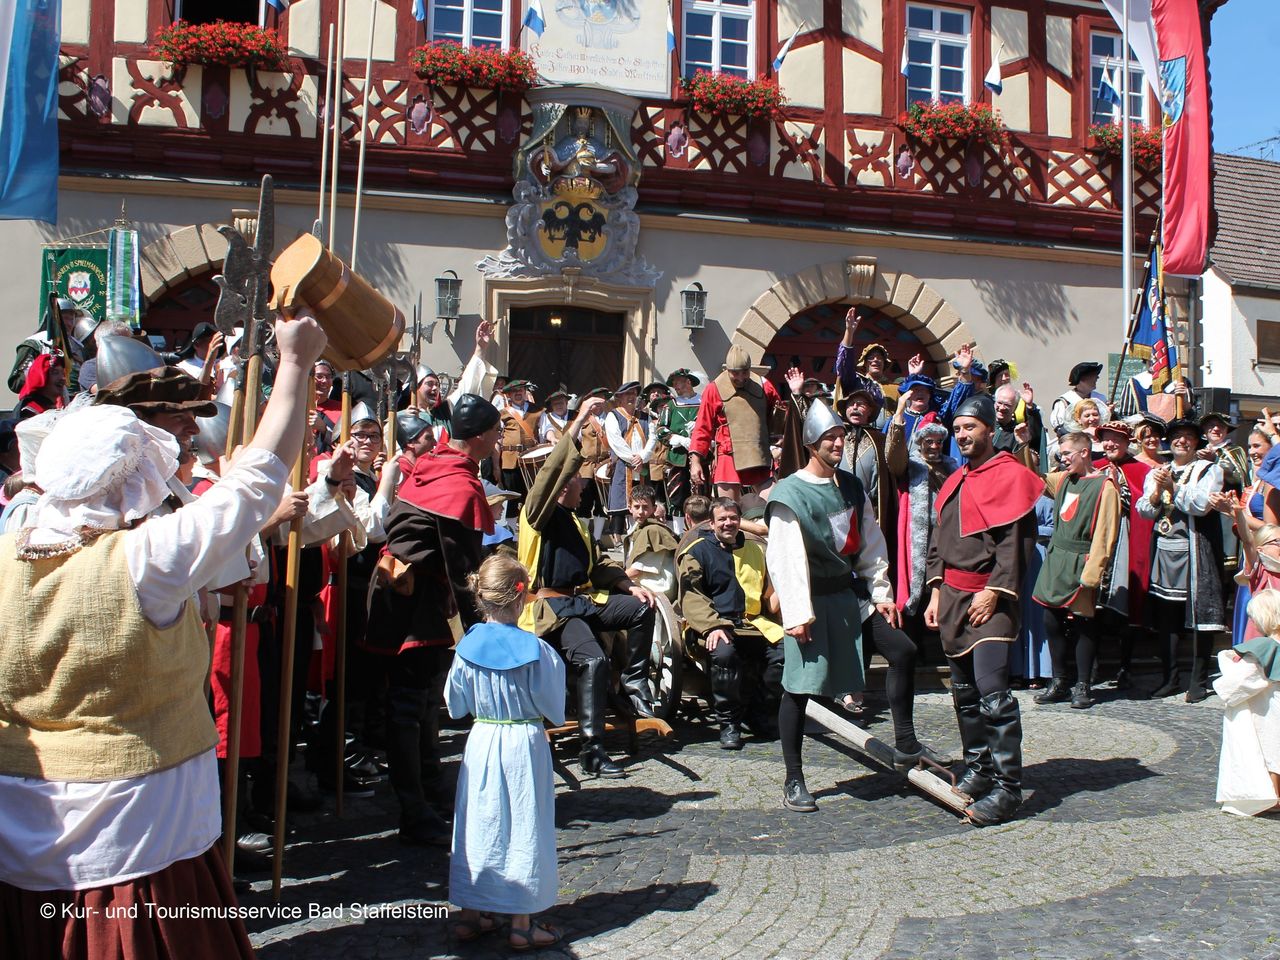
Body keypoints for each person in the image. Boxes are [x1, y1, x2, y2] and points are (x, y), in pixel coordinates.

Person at [0, 308, 325, 959]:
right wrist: (294, 362)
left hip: (19, 839)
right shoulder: (142, 562)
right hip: (141, 842)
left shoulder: (9, 552)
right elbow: (257, 482)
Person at [366, 393, 502, 845]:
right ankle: (413, 809)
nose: (500, 440)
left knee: (423, 702)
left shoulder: (435, 462)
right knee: (408, 704)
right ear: (481, 437)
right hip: (411, 596)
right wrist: (484, 629)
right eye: (497, 433)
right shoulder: (458, 484)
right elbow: (462, 566)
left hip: (406, 590)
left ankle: (431, 790)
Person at [516, 398, 657, 775]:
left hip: (586, 601)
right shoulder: (537, 516)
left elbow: (600, 566)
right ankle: (592, 751)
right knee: (592, 659)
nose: (582, 481)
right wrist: (579, 420)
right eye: (576, 477)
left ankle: (635, 683)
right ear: (566, 485)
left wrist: (627, 584)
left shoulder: (580, 523)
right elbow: (550, 474)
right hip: (554, 611)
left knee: (644, 607)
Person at [765, 400, 891, 813]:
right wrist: (798, 613)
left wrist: (881, 592)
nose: (838, 443)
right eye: (829, 438)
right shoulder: (789, 493)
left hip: (849, 595)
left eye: (841, 437)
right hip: (811, 600)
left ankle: (905, 740)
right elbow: (786, 560)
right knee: (799, 690)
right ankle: (793, 777)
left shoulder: (851, 485)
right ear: (812, 444)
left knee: (903, 651)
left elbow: (870, 541)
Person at [924, 394, 1042, 826]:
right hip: (953, 597)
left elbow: (1016, 546)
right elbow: (939, 543)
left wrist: (995, 591)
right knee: (964, 694)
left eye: (970, 427)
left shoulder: (1012, 476)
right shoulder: (956, 479)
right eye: (957, 429)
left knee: (993, 696)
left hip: (989, 600)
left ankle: (1009, 789)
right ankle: (980, 767)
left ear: (990, 430)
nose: (962, 435)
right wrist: (936, 593)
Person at [447, 554, 566, 950]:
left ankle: (469, 915)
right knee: (525, 824)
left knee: (479, 823)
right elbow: (554, 707)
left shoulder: (466, 647)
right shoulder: (536, 650)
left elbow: (455, 705)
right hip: (523, 742)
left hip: (482, 740)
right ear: (521, 598)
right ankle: (521, 922)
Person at [679, 497, 785, 749]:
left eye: (733, 518)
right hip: (715, 625)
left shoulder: (756, 550)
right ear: (712, 523)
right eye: (722, 519)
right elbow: (691, 596)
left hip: (753, 624)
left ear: (740, 521)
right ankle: (729, 724)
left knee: (785, 654)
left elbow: (768, 594)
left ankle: (760, 713)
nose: (728, 523)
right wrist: (713, 625)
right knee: (724, 654)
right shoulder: (696, 551)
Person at [1136, 418, 1229, 701]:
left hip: (1195, 554)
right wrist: (1156, 492)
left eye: (1188, 436)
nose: (1182, 441)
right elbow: (1144, 510)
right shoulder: (1158, 471)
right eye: (1177, 436)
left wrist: (1174, 489)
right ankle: (1170, 677)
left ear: (1196, 442)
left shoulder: (1208, 470)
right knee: (1168, 618)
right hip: (1165, 551)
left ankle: (1198, 681)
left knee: (1201, 616)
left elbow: (1201, 505)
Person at [1031, 430, 1121, 710]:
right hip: (1057, 558)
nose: (1062, 457)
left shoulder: (1104, 486)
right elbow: (1035, 480)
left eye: (1067, 452)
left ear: (1084, 452)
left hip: (1082, 560)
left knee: (1083, 623)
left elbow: (1106, 532)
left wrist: (1093, 572)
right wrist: (1026, 444)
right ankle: (1059, 680)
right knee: (1050, 620)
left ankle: (1082, 684)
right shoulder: (1065, 480)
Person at [1093, 420, 1156, 687]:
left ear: (1127, 442)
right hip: (1098, 543)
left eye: (1116, 439)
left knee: (1127, 607)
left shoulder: (1142, 471)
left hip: (1129, 541)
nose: (1110, 444)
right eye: (1106, 439)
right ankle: (1092, 668)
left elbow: (1148, 508)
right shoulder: (1094, 469)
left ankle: (1125, 667)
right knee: (1092, 606)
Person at [1215, 588, 1280, 817]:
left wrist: (1226, 662)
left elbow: (1242, 680)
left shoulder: (1264, 648)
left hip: (1269, 710)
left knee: (1271, 753)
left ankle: (1272, 797)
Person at [689, 345, 784, 500]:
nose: (740, 377)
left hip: (757, 452)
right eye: (735, 373)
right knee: (728, 510)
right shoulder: (714, 389)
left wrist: (777, 436)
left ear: (749, 368)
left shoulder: (764, 385)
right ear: (727, 370)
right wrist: (695, 462)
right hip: (727, 455)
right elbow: (702, 427)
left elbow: (777, 417)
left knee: (776, 503)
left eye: (744, 372)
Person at [603, 380, 656, 539]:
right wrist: (633, 459)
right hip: (623, 465)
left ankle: (641, 536)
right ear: (620, 397)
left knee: (643, 499)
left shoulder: (646, 417)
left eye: (634, 394)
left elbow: (653, 439)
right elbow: (615, 441)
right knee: (621, 502)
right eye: (627, 394)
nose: (631, 397)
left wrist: (643, 457)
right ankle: (619, 538)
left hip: (642, 465)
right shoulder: (613, 416)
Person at [658, 369, 701, 534]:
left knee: (700, 494)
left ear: (688, 382)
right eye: (674, 383)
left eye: (678, 382)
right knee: (676, 496)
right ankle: (678, 533)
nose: (675, 387)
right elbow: (661, 429)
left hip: (702, 457)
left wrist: (699, 431)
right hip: (677, 458)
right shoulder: (671, 405)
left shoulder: (704, 402)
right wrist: (678, 439)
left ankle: (699, 530)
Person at [622, 485, 678, 600]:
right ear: (629, 508)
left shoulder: (653, 531)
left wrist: (614, 579)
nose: (641, 512)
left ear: (654, 508)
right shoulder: (640, 529)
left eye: (646, 507)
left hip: (656, 590)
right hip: (642, 586)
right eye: (636, 507)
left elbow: (636, 571)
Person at [1048, 361, 1111, 461]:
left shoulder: (1100, 399)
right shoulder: (1064, 401)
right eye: (1093, 376)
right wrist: (1083, 434)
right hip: (1075, 449)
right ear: (1082, 379)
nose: (1097, 378)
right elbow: (1060, 429)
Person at [498, 379, 538, 507]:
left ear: (525, 391)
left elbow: (545, 433)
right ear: (509, 395)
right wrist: (495, 464)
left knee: (531, 496)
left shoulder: (537, 411)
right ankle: (510, 525)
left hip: (531, 459)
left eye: (520, 390)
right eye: (514, 391)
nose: (518, 393)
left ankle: (527, 524)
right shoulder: (502, 413)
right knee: (512, 498)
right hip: (509, 459)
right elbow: (497, 438)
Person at [16, 353, 67, 419]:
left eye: (63, 373)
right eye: (55, 373)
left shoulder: (54, 407)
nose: (62, 378)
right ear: (41, 377)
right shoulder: (30, 411)